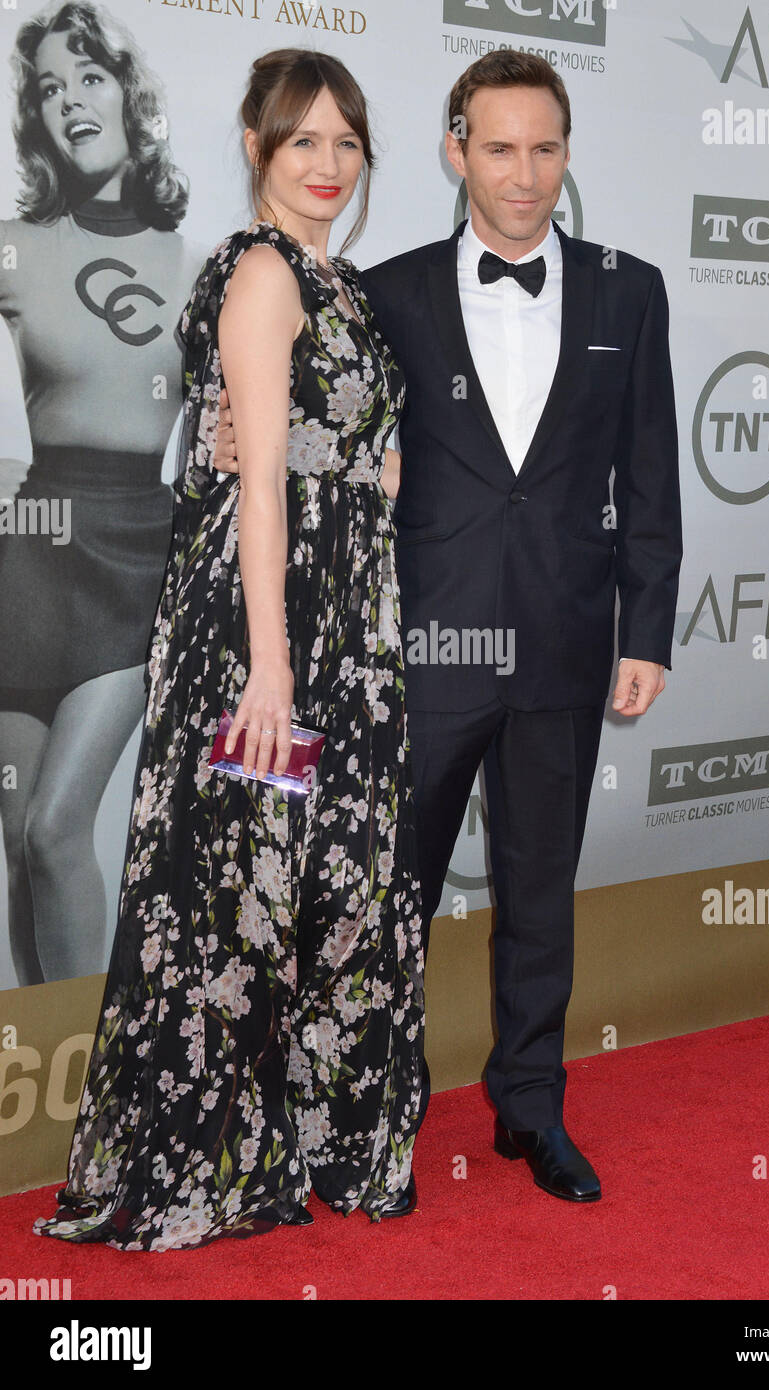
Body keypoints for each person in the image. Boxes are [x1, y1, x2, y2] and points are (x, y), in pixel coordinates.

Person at [216, 50, 682, 1206]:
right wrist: (231, 441)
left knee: (539, 896)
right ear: (452, 149)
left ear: (566, 155)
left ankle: (532, 1106)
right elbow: (313, 431)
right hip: (417, 650)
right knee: (388, 902)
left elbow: (652, 476)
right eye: (497, 147)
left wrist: (648, 628)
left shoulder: (633, 290)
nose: (522, 176)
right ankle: (379, 1114)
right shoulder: (389, 290)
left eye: (544, 149)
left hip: (568, 644)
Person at [33, 47, 424, 1251]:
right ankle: (210, 1155)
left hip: (345, 627)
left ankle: (310, 1135)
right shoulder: (261, 273)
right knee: (241, 888)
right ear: (257, 150)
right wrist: (271, 667)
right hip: (272, 633)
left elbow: (346, 457)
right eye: (302, 139)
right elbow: (256, 486)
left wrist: (368, 471)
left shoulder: (340, 281)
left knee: (337, 883)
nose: (327, 163)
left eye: (346, 141)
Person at [0, 0, 204, 987]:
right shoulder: (13, 245)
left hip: (137, 561)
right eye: (48, 86)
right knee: (21, 848)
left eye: (87, 75)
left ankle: (101, 1094)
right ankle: (41, 1099)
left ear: (128, 93)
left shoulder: (203, 266)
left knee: (53, 828)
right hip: (28, 559)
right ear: (35, 117)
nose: (70, 98)